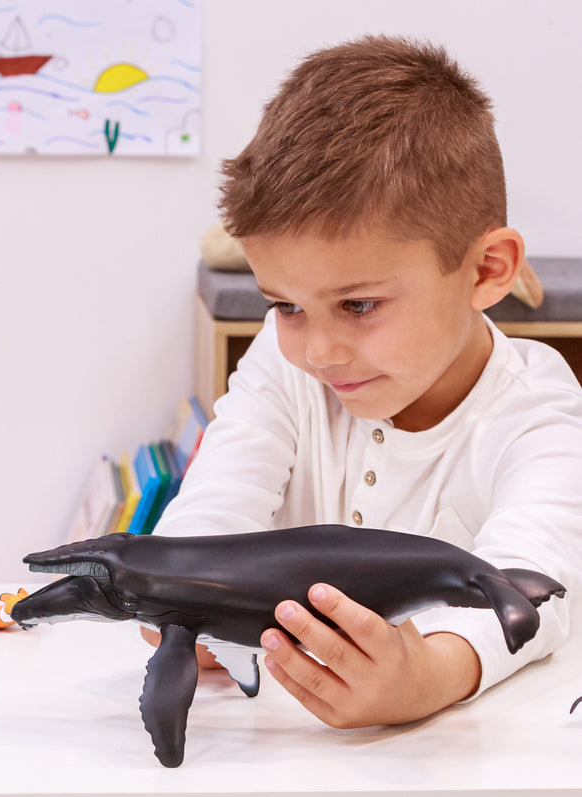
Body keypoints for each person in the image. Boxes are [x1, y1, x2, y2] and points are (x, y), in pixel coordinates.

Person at [152, 35, 582, 728]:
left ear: (486, 272)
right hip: (276, 785)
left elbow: (540, 581)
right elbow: (216, 505)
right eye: (285, 304)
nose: (319, 350)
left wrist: (430, 673)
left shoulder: (541, 415)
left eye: (359, 305)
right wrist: (179, 596)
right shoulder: (283, 362)